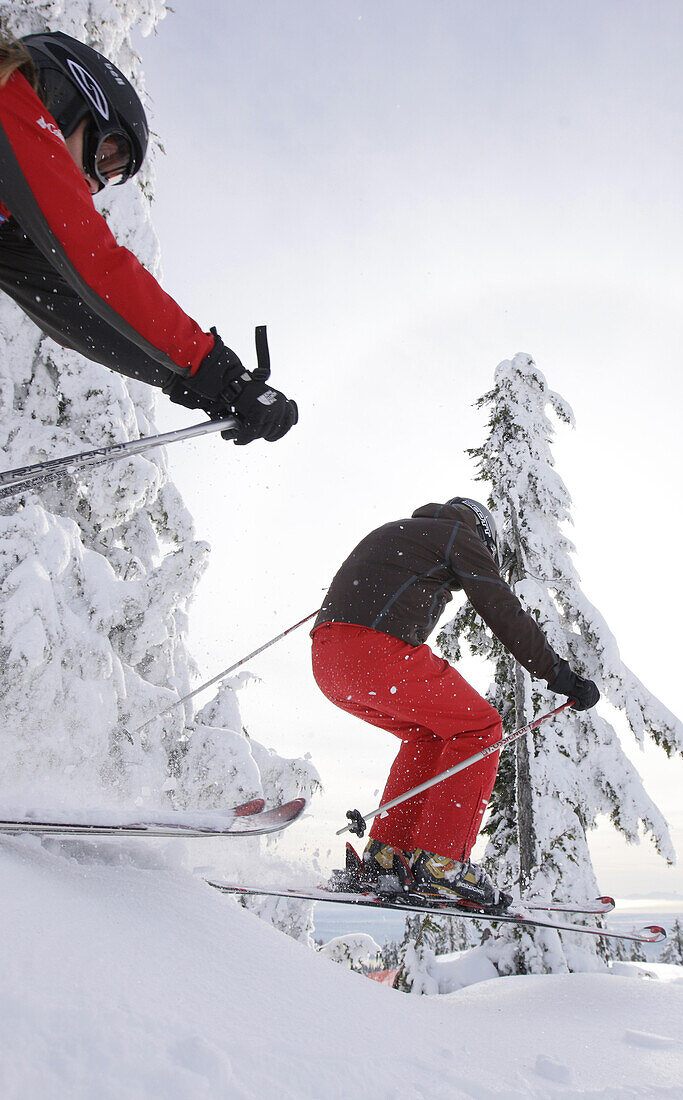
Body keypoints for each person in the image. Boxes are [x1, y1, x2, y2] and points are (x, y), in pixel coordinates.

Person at [0, 30, 297, 446]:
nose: (93, 183)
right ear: (68, 94)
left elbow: (67, 304)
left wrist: (192, 382)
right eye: (107, 155)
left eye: (111, 175)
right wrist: (218, 371)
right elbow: (97, 265)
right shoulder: (10, 101)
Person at [311, 498, 600, 910]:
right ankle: (444, 865)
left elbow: (364, 580)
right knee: (480, 728)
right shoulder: (458, 535)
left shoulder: (403, 532)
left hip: (329, 661)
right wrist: (559, 674)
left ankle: (387, 857)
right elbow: (501, 607)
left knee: (428, 738)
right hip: (375, 653)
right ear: (484, 534)